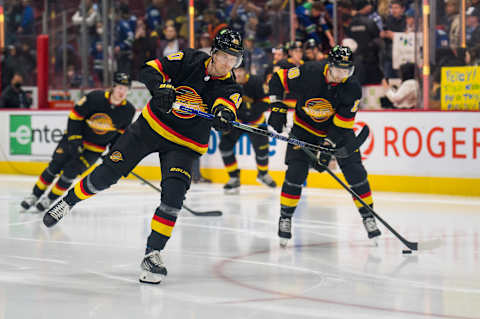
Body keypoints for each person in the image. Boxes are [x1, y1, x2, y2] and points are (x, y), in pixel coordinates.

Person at [43, 28, 244, 285]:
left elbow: (226, 105)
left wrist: (224, 116)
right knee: (105, 176)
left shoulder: (230, 86)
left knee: (173, 198)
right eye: (225, 56)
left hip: (185, 145)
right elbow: (148, 69)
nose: (228, 63)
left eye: (234, 59)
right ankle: (68, 201)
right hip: (149, 129)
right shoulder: (189, 59)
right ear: (214, 52)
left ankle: (153, 254)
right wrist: (160, 88)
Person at [267, 45, 381, 247]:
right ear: (329, 66)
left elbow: (342, 124)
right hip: (304, 129)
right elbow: (277, 79)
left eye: (347, 71)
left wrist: (327, 147)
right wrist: (277, 106)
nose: (342, 75)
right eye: (339, 70)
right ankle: (286, 217)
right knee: (295, 173)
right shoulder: (308, 72)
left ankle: (368, 216)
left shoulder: (352, 87)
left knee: (356, 172)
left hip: (336, 132)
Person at [20, 73, 135, 211]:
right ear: (113, 87)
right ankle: (34, 195)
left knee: (70, 173)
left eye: (125, 89)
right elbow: (75, 117)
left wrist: (112, 153)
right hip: (74, 139)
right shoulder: (95, 98)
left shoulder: (129, 110)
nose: (122, 92)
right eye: (120, 88)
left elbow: (119, 135)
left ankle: (49, 199)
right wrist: (75, 139)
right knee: (55, 165)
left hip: (94, 150)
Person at [220, 63, 276, 194]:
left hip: (256, 122)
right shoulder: (229, 82)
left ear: (246, 71)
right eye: (235, 70)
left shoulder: (256, 82)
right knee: (224, 147)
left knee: (262, 151)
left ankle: (263, 174)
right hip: (237, 122)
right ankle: (234, 178)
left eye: (241, 71)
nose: (238, 74)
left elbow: (266, 102)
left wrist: (250, 112)